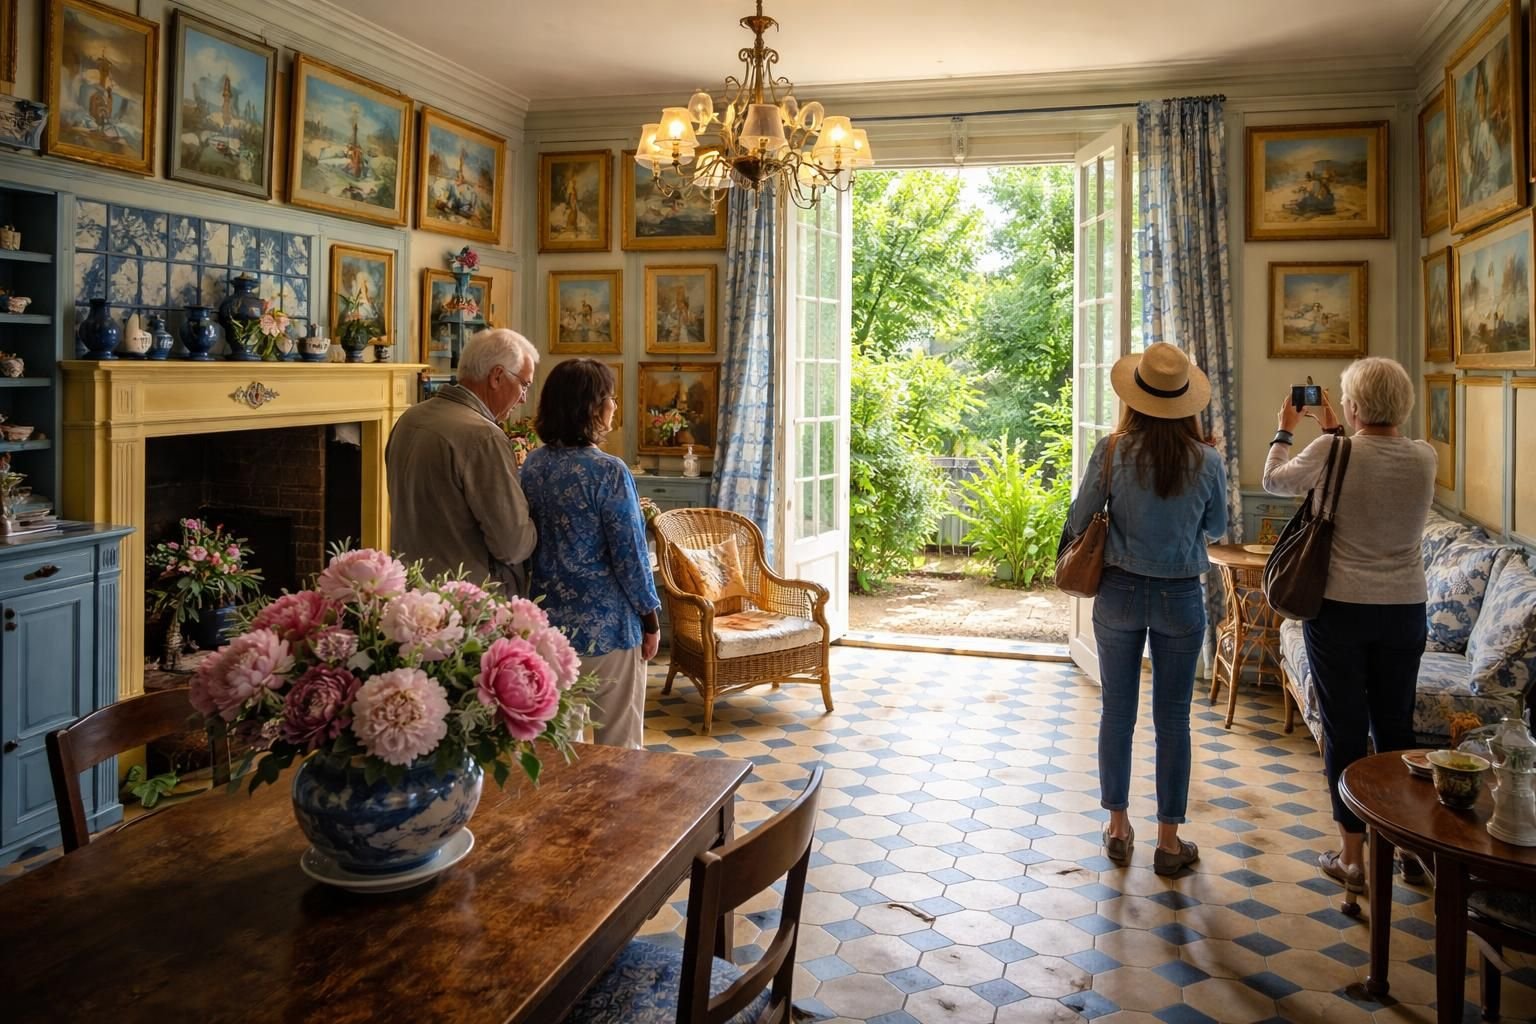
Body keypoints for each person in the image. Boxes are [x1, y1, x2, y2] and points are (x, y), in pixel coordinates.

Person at [1262, 358, 1435, 893]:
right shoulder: (1424, 457)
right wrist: (1338, 428)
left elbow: (1274, 481)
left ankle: (1352, 856)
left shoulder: (1332, 451)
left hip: (1339, 607)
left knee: (1344, 727)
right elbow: (1371, 466)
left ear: (1354, 405)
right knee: (1396, 729)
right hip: (1405, 608)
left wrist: (1286, 429)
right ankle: (1407, 848)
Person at [1066, 342, 1228, 877]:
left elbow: (1081, 515)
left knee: (1117, 711)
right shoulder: (1207, 459)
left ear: (1136, 398)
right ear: (1187, 403)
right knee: (1174, 718)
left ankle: (1117, 828)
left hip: (1119, 592)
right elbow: (1218, 530)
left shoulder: (1111, 450)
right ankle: (1168, 841)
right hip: (1181, 595)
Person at [520, 360, 660, 749]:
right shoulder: (608, 472)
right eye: (611, 398)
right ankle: (617, 812)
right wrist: (650, 619)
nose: (615, 405)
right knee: (621, 747)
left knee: (559, 749)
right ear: (594, 407)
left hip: (549, 629)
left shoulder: (533, 465)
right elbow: (630, 556)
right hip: (610, 627)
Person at [386, 328, 538, 595]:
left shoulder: (409, 419)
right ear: (497, 376)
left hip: (410, 593)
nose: (524, 397)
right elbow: (512, 545)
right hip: (465, 606)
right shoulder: (484, 436)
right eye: (524, 384)